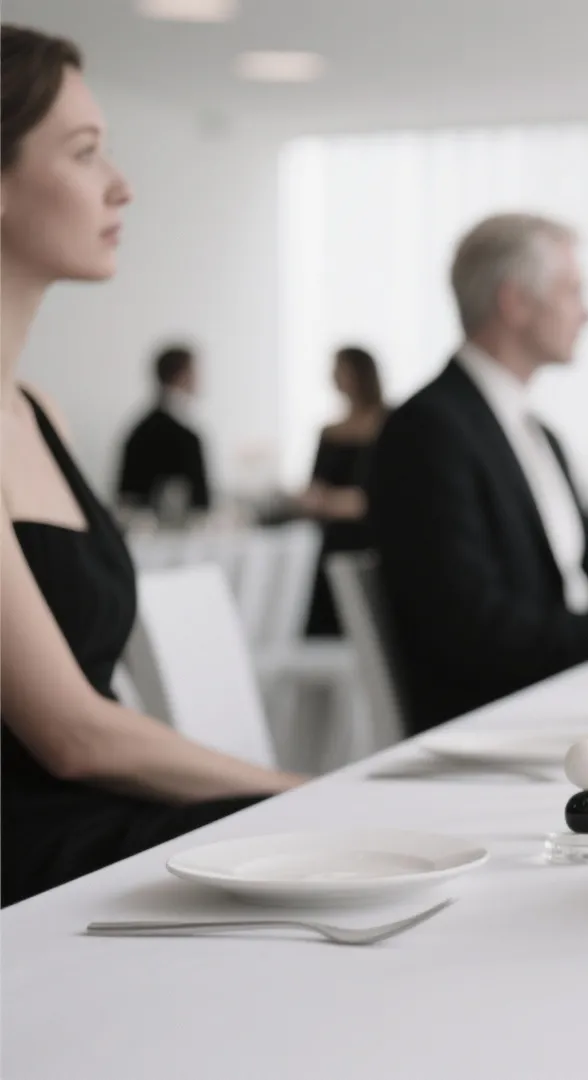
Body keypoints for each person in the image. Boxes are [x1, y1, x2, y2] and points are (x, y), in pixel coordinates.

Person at [0, 24, 300, 907]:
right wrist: (302, 794)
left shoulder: (37, 412)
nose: (122, 184)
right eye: (86, 153)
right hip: (32, 857)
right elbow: (72, 736)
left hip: (83, 820)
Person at [367, 213, 588, 733]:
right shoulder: (428, 428)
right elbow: (469, 624)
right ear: (515, 301)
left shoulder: (538, 433)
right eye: (572, 291)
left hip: (575, 700)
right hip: (500, 724)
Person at [297, 345, 385, 636]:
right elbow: (317, 487)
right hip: (335, 539)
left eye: (341, 369)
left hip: (373, 539)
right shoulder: (329, 431)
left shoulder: (389, 424)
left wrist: (348, 501)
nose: (335, 376)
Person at [115, 342, 211, 518]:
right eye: (195, 372)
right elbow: (201, 504)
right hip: (173, 537)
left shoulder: (138, 430)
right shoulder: (185, 437)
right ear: (182, 376)